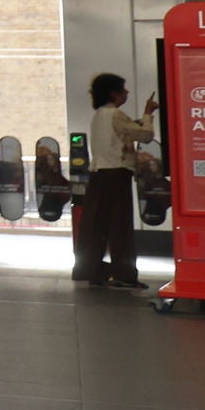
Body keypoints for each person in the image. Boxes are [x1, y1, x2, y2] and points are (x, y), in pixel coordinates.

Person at [76, 72, 156, 289]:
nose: (127, 92)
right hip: (117, 174)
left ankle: (94, 271)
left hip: (99, 174)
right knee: (120, 225)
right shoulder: (116, 114)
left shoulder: (99, 115)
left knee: (96, 225)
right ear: (114, 93)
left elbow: (120, 135)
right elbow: (146, 136)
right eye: (124, 89)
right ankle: (124, 273)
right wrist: (148, 114)